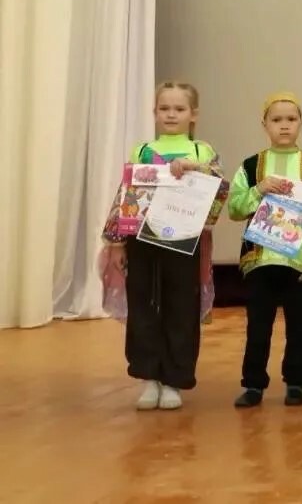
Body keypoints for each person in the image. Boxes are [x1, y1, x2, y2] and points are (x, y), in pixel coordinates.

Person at [100, 81, 225, 411]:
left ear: (193, 114)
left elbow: (218, 189)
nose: (171, 114)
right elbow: (126, 193)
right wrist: (117, 242)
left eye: (179, 109)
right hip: (142, 239)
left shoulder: (201, 151)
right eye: (164, 108)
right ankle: (148, 377)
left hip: (183, 239)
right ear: (155, 112)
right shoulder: (142, 150)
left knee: (181, 307)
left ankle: (174, 380)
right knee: (143, 304)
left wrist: (196, 170)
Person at [228, 92, 302, 408]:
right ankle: (253, 384)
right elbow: (234, 208)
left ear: (300, 123)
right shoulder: (251, 166)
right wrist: (258, 189)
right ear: (265, 124)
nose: (284, 125)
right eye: (276, 120)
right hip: (260, 261)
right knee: (258, 327)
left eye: (291, 119)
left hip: (297, 262)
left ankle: (296, 381)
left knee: (299, 326)